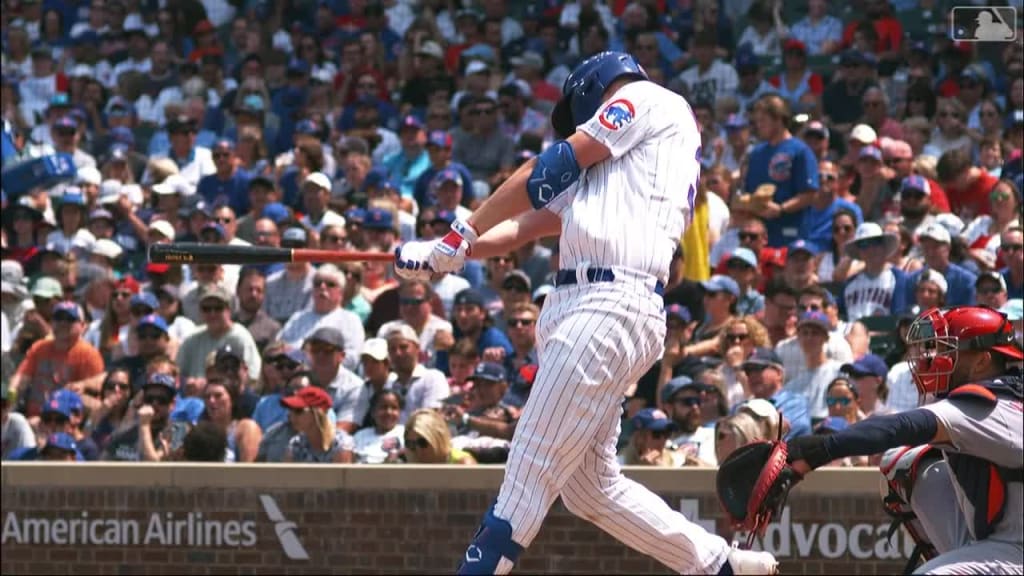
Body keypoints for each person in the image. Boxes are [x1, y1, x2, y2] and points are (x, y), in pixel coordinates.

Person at [392, 50, 776, 575]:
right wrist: (446, 251)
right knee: (589, 488)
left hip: (608, 300)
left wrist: (465, 227)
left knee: (527, 473)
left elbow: (550, 166)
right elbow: (525, 227)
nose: (578, 122)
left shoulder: (645, 99)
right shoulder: (619, 167)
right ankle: (718, 564)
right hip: (591, 304)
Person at [785, 306, 1023, 574]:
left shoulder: (995, 406)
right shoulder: (994, 396)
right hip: (996, 540)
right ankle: (955, 558)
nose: (933, 358)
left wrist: (817, 450)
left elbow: (902, 425)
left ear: (982, 361)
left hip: (1016, 550)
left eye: (948, 350)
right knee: (905, 462)